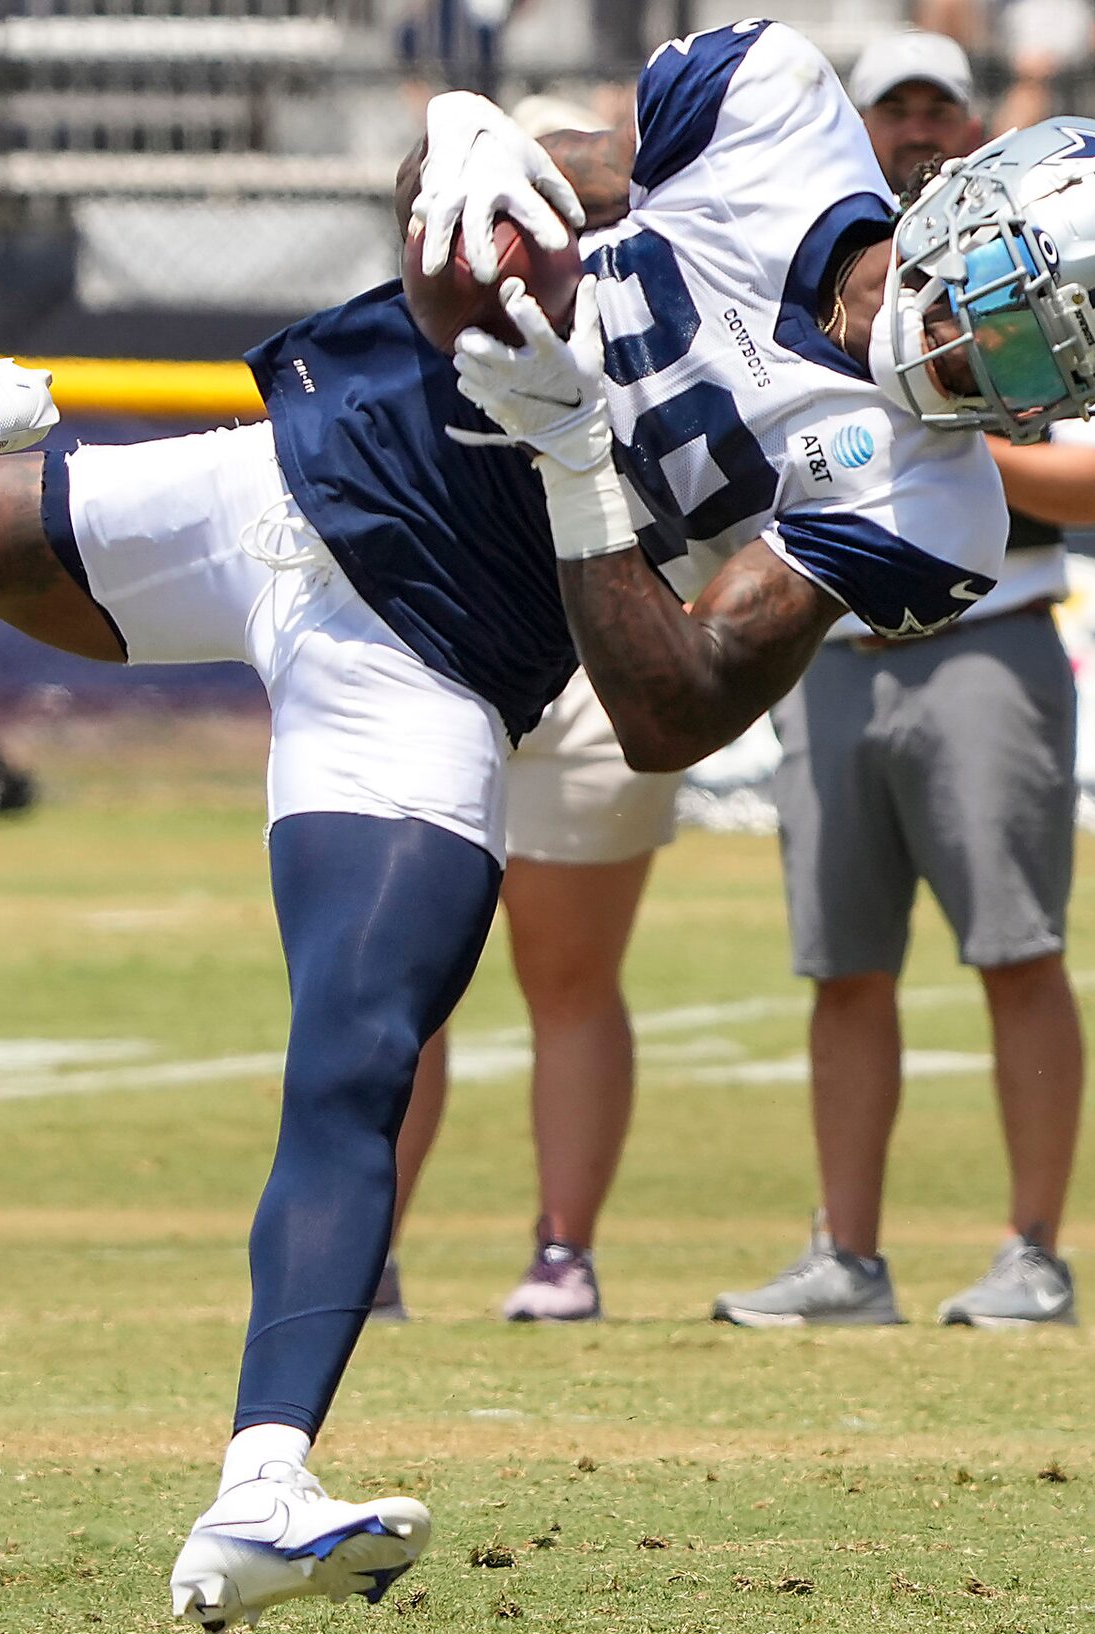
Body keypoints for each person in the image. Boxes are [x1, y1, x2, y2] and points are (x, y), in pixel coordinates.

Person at [0, 22, 1095, 1634]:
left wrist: (583, 460)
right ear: (965, 209)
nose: (982, 367)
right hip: (296, 475)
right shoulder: (774, 109)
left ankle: (264, 1474)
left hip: (435, 654)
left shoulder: (927, 500)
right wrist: (460, 145)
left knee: (361, 1046)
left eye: (1041, 369)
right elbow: (495, 199)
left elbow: (674, 707)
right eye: (1008, 305)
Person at [707, 33, 1095, 1332]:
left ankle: (1036, 1253)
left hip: (988, 635)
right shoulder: (805, 271)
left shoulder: (1036, 260)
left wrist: (944, 435)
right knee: (841, 965)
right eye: (891, 105)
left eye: (935, 105)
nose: (914, 126)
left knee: (1016, 948)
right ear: (858, 125)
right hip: (829, 641)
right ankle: (844, 1255)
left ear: (970, 125)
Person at [383, 92, 695, 1329]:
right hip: (433, 650)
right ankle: (369, 1247)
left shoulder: (652, 310)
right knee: (396, 980)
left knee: (569, 976)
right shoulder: (427, 285)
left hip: (587, 657)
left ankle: (563, 1251)